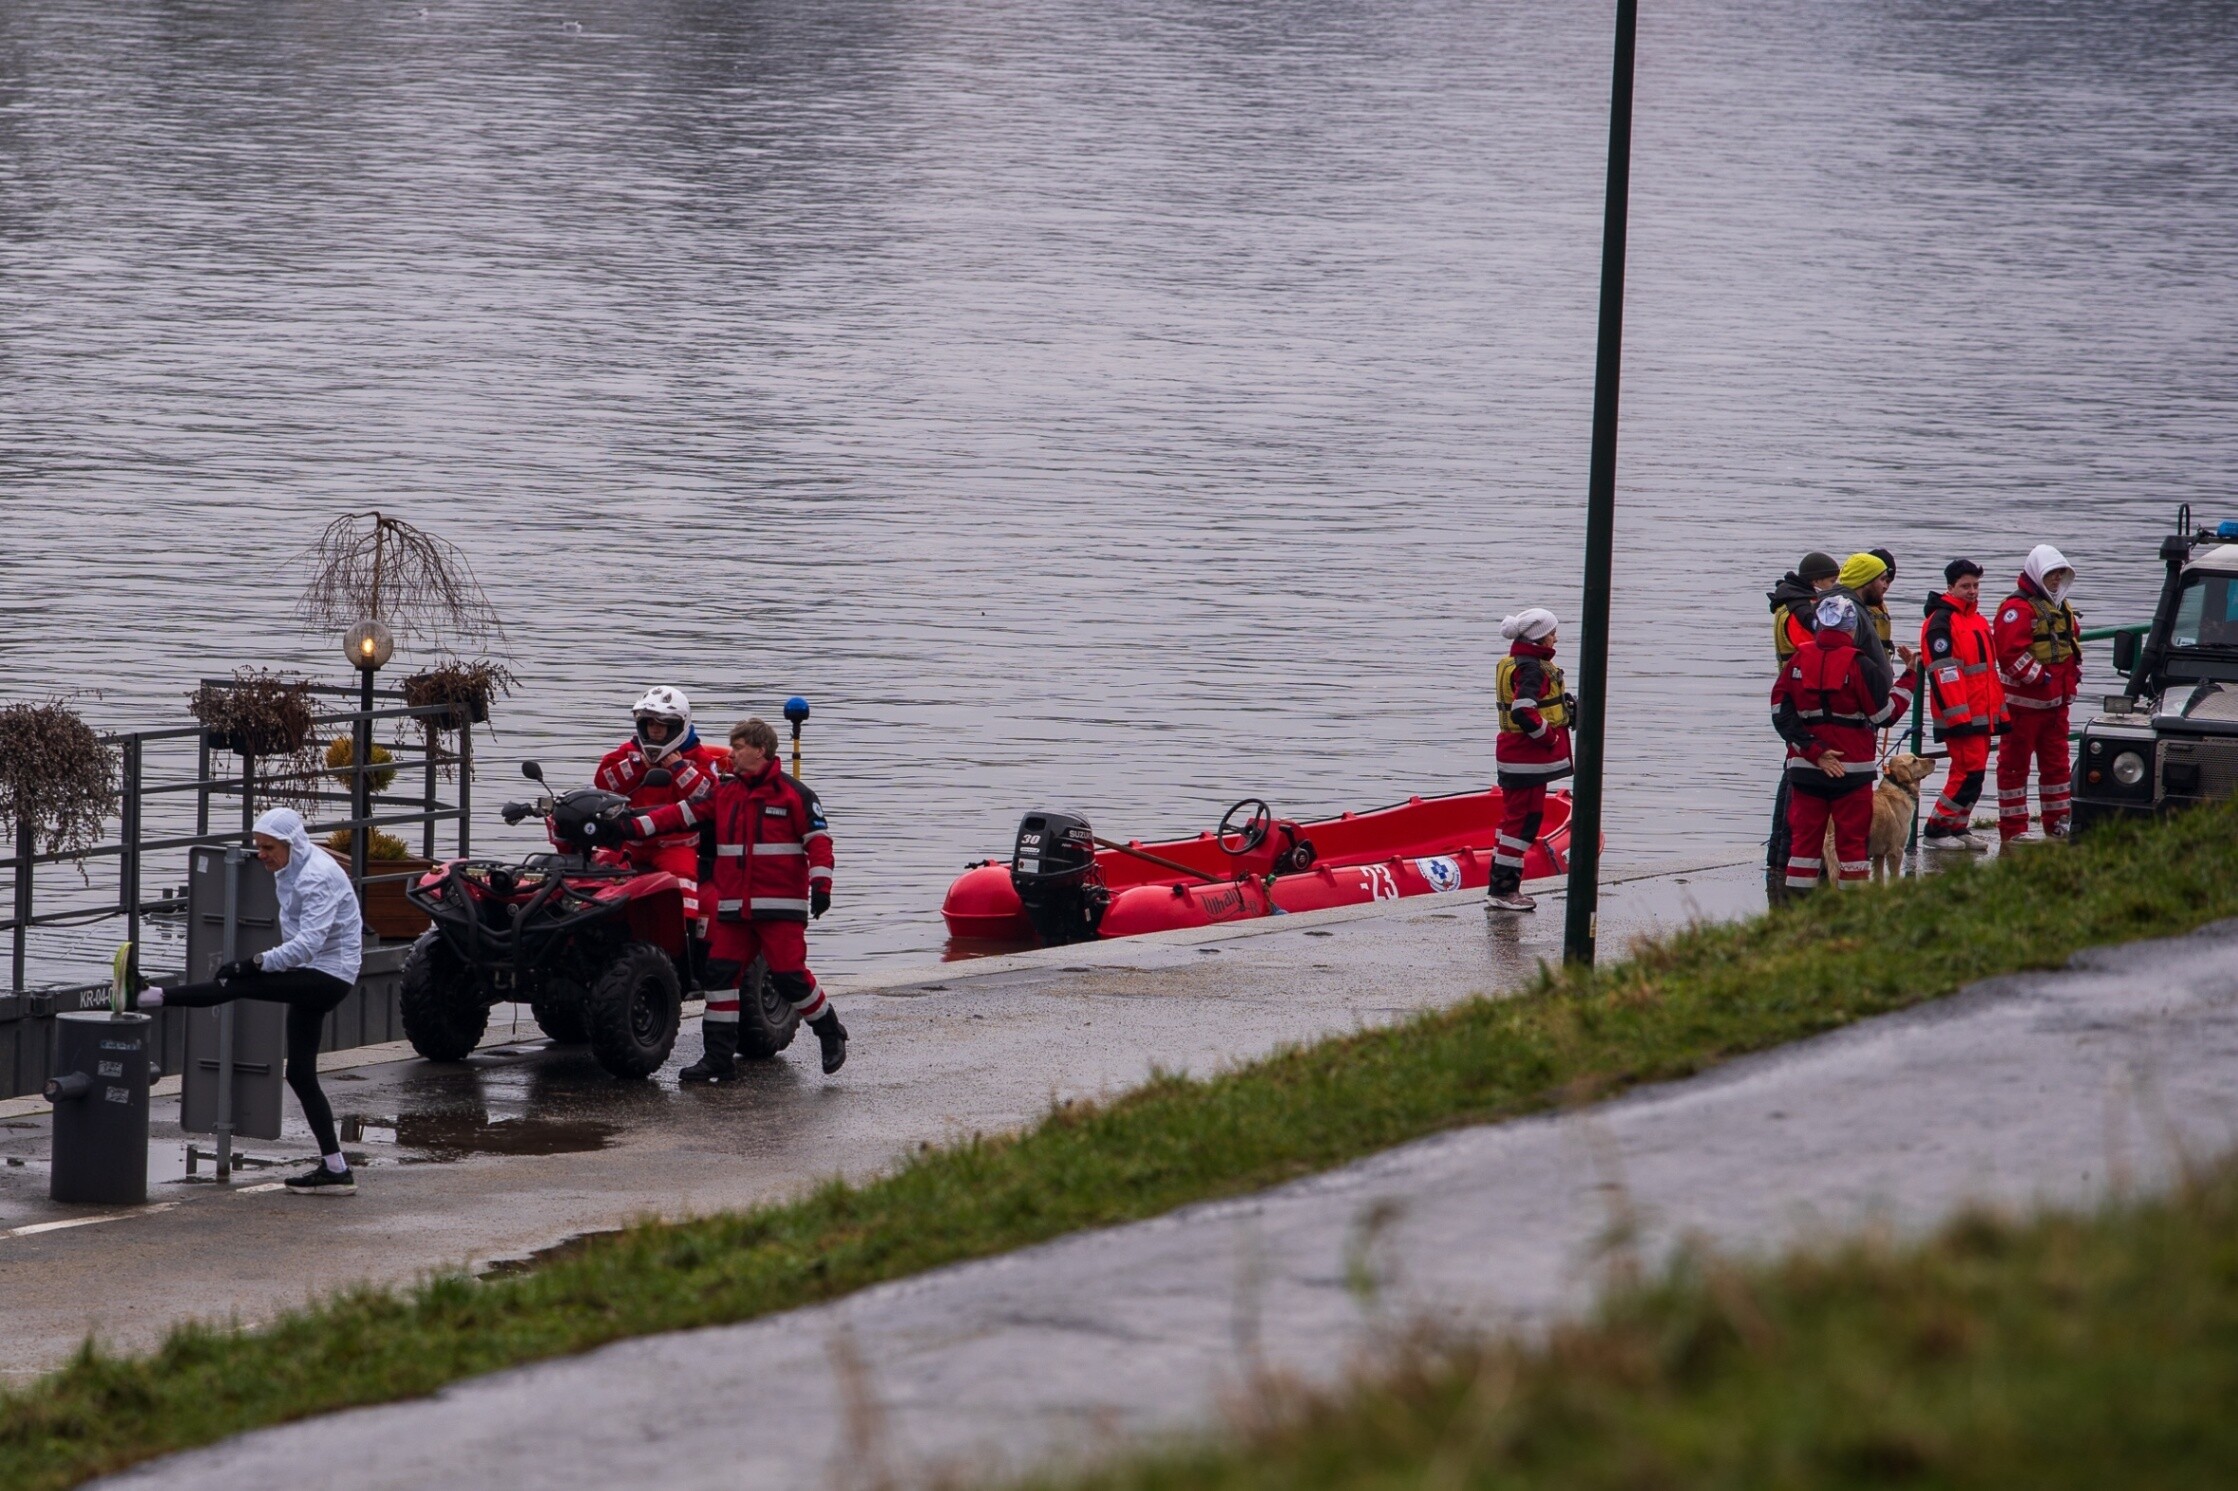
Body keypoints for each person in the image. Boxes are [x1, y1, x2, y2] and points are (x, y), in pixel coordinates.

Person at [112, 809, 364, 1194]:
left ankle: (145, 996)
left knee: (237, 982)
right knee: (300, 1074)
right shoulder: (293, 865)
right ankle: (336, 1170)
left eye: (268, 848)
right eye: (258, 846)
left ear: (292, 844)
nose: (260, 855)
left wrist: (254, 963)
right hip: (315, 971)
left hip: (328, 976)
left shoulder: (316, 876)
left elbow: (307, 945)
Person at [625, 718, 846, 1082]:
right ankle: (718, 1058)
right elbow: (680, 814)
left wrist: (821, 887)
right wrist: (631, 826)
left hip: (779, 908)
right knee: (719, 976)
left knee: (791, 978)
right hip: (735, 909)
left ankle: (829, 1031)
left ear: (761, 750)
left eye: (739, 748)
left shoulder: (795, 794)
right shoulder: (724, 794)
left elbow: (819, 843)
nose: (732, 755)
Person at [1770, 594, 1915, 894]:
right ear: (1852, 628)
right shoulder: (1861, 665)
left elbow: (1780, 713)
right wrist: (1910, 677)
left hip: (1806, 769)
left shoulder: (1797, 660)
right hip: (1852, 771)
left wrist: (1814, 750)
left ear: (1820, 626)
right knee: (1852, 846)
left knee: (1804, 846)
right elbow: (1885, 715)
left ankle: (1794, 909)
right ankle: (1851, 911)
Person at [593, 688, 725, 932]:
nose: (654, 730)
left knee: (683, 880)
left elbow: (709, 797)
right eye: (650, 724)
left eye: (662, 725)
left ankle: (684, 936)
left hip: (676, 845)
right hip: (630, 843)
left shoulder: (697, 757)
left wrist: (679, 768)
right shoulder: (630, 752)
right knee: (597, 871)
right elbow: (603, 782)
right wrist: (636, 765)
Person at [1993, 544, 2082, 841]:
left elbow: (2069, 646)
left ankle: (2058, 822)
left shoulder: (2061, 607)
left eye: (2060, 574)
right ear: (2037, 574)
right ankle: (2013, 828)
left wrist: (2069, 681)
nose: (2056, 580)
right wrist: (2041, 678)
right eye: (2051, 574)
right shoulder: (2017, 609)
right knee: (2014, 768)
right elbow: (2008, 654)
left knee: (2057, 768)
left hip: (2056, 707)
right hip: (2023, 707)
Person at [1488, 608, 1572, 913]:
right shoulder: (1532, 669)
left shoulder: (1520, 663)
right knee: (1521, 822)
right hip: (1525, 759)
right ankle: (1503, 890)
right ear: (1538, 638)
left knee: (1518, 819)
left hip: (1518, 758)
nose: (1555, 638)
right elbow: (1523, 711)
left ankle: (1502, 886)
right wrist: (1549, 737)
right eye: (1552, 633)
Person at [1919, 559, 2004, 848]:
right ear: (1950, 587)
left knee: (1975, 775)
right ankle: (1936, 829)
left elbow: (1987, 672)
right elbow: (1944, 673)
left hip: (1982, 713)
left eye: (1976, 585)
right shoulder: (1941, 622)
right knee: (1965, 773)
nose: (1972, 591)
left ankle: (1957, 826)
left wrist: (1997, 713)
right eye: (1965, 586)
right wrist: (1959, 718)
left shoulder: (1976, 619)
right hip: (1961, 715)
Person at [1768, 551, 1842, 662]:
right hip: (1802, 671)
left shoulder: (1790, 600)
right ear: (1816, 581)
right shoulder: (1802, 610)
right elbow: (1812, 649)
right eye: (1832, 581)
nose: (1835, 586)